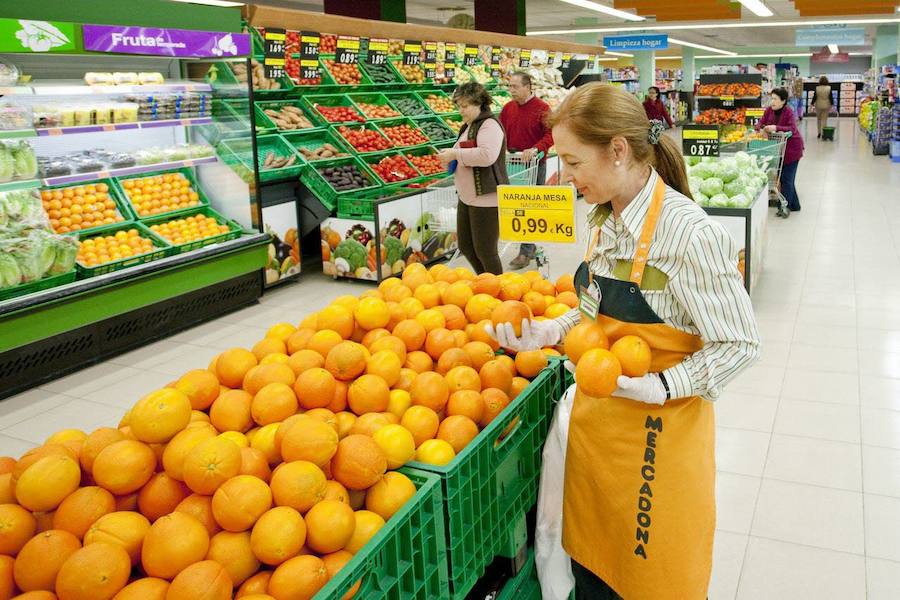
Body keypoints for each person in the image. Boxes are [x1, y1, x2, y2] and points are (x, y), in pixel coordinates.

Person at [488, 82, 760, 600]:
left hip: (661, 440)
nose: (563, 177)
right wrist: (548, 332)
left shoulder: (688, 234)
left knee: (650, 579)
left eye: (572, 162)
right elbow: (596, 317)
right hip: (598, 432)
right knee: (595, 567)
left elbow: (742, 344)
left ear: (617, 150)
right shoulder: (605, 218)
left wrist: (663, 384)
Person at [437, 82, 508, 275]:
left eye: (465, 106)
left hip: (485, 198)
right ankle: (485, 280)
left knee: (486, 250)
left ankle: (497, 287)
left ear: (479, 103)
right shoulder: (470, 126)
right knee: (467, 247)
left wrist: (455, 154)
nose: (461, 110)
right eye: (459, 106)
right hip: (468, 196)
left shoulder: (489, 125)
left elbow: (487, 156)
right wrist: (452, 158)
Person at [500, 71, 554, 270]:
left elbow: (551, 134)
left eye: (515, 86)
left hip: (534, 164)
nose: (511, 90)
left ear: (527, 87)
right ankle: (524, 247)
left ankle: (526, 251)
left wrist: (536, 149)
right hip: (512, 163)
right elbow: (500, 132)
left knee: (529, 206)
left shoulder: (543, 108)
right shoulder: (507, 109)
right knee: (515, 206)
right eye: (510, 86)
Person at [758, 88, 804, 212]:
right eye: (771, 98)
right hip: (778, 150)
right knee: (786, 178)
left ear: (783, 101)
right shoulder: (768, 111)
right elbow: (759, 123)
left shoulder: (788, 112)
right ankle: (795, 205)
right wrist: (762, 128)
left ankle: (784, 207)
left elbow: (792, 129)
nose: (772, 101)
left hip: (792, 150)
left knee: (786, 179)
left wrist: (776, 127)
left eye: (775, 99)